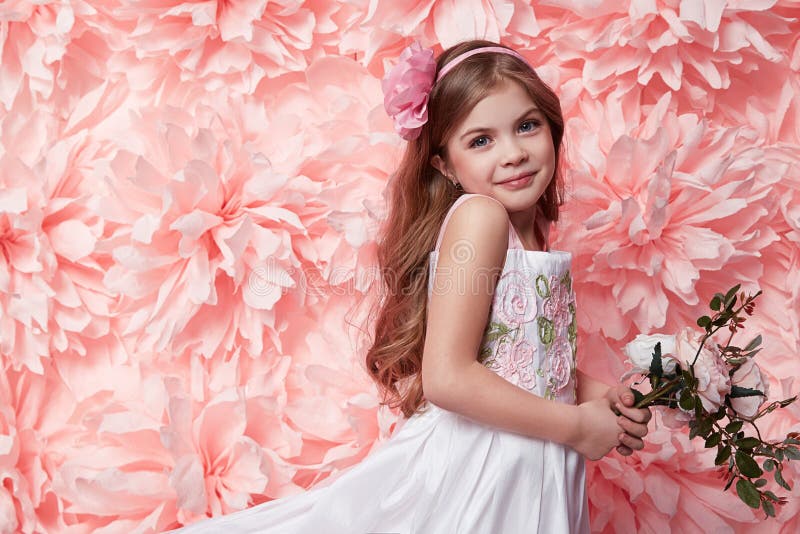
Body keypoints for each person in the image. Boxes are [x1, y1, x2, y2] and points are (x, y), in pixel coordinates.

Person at [173, 38, 653, 534]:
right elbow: (447, 377)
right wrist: (576, 427)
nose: (513, 153)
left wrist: (605, 398)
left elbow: (526, 359)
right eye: (480, 140)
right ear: (444, 164)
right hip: (483, 468)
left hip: (529, 457)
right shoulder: (481, 218)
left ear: (552, 129)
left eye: (526, 126)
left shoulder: (528, 228)